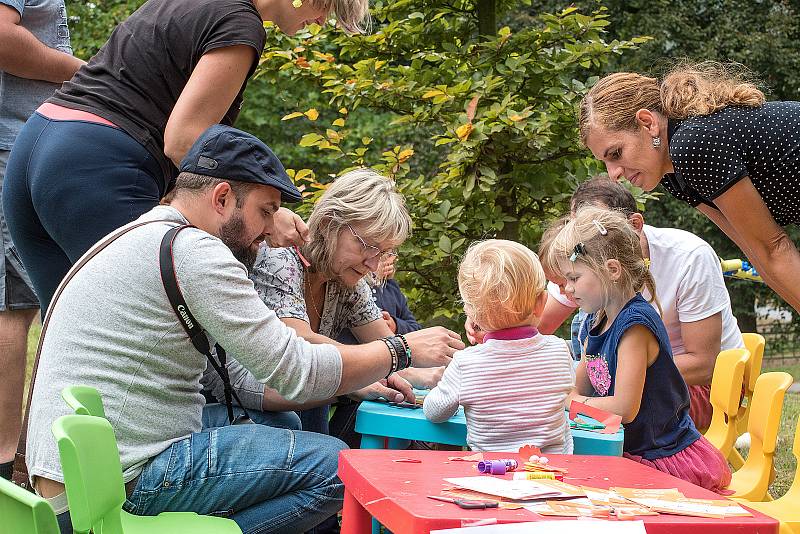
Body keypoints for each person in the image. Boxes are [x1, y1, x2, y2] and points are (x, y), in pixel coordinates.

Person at [24, 125, 461, 534]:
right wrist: (401, 349)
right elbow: (296, 371)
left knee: (280, 420)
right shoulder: (197, 252)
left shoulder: (143, 233)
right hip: (120, 480)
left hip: (70, 476)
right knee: (345, 468)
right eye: (265, 211)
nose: (271, 230)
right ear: (221, 198)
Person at [3, 0, 369, 315]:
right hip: (98, 166)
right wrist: (266, 210)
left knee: (73, 336)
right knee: (148, 327)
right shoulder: (242, 24)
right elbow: (184, 140)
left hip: (37, 146)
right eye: (327, 7)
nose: (323, 22)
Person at [578, 61, 800, 316]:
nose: (613, 174)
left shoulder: (691, 144)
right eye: (605, 162)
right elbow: (758, 254)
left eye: (616, 153)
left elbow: (775, 248)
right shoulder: (673, 175)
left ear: (647, 123)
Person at [249, 169, 445, 438]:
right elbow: (299, 343)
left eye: (383, 252)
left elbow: (389, 350)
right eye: (367, 245)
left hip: (300, 401)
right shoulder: (281, 259)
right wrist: (398, 353)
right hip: (251, 413)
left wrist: (438, 374)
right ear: (331, 224)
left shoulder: (346, 281)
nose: (373, 264)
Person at [548, 205, 731, 493]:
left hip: (660, 459)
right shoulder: (596, 319)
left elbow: (623, 409)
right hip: (625, 448)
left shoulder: (635, 326)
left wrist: (570, 401)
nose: (567, 290)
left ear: (611, 270)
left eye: (574, 278)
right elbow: (578, 386)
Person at [539, 177, 744, 429]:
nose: (580, 242)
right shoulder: (587, 281)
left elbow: (705, 365)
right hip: (632, 383)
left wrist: (601, 386)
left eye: (594, 228)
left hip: (698, 387)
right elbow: (538, 325)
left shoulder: (689, 257)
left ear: (634, 225)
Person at [0, 0, 84, 481]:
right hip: (15, 145)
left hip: (22, 144)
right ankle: (17, 465)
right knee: (18, 307)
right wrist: (84, 73)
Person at [423, 239, 574, 453]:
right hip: (553, 475)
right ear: (541, 302)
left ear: (473, 315)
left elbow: (435, 412)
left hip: (492, 477)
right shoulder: (559, 351)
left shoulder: (466, 363)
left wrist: (437, 391)